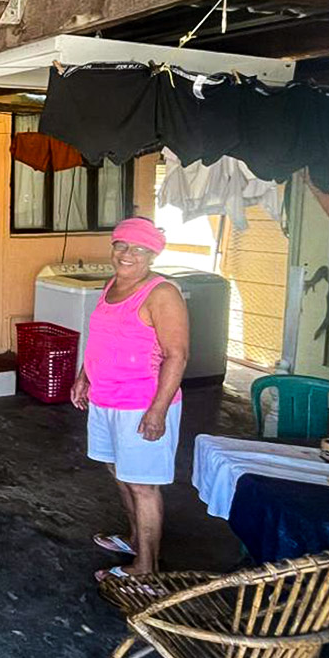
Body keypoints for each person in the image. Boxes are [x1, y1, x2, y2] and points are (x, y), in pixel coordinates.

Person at [70, 216, 189, 580]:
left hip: (141, 403)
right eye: (121, 245)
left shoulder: (161, 293)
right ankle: (136, 539)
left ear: (152, 255)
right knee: (119, 471)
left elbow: (177, 355)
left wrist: (157, 411)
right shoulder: (112, 286)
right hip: (107, 399)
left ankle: (146, 570)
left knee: (143, 485)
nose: (127, 254)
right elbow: (103, 339)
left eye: (138, 248)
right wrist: (84, 376)